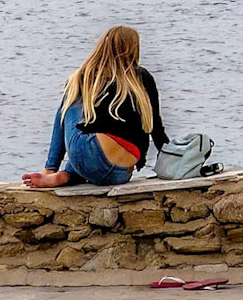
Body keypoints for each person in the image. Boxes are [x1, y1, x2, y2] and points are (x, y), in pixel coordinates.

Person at [23, 25, 167, 190]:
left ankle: (50, 170)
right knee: (93, 139)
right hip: (122, 173)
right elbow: (157, 128)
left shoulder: (88, 76)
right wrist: (171, 158)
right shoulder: (143, 78)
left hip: (91, 160)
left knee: (69, 99)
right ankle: (68, 175)